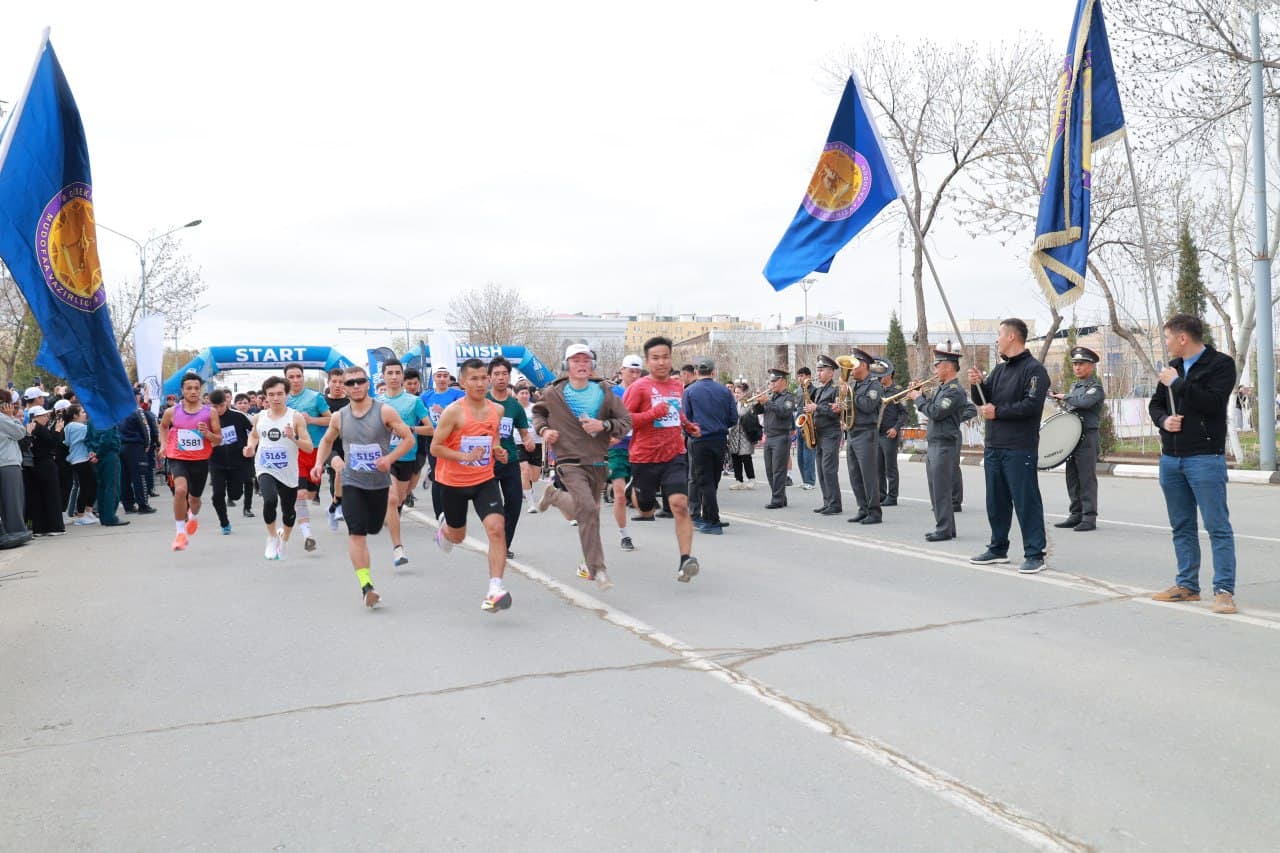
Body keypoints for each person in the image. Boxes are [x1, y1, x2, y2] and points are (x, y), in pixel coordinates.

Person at [1148, 314, 1239, 614]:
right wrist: (1164, 420)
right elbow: (1155, 405)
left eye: (1168, 338)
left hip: (1204, 457)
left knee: (1217, 526)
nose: (1166, 343)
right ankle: (1187, 585)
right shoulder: (1171, 368)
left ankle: (1224, 590)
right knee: (1182, 525)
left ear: (1183, 338)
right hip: (1171, 458)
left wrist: (1179, 384)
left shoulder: (1220, 365)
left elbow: (1212, 403)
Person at [311, 365, 415, 608]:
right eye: (350, 383)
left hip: (378, 483)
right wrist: (318, 463)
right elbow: (327, 441)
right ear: (344, 388)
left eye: (360, 381)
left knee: (374, 527)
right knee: (356, 533)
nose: (356, 386)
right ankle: (366, 586)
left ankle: (370, 575)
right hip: (352, 482)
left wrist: (389, 458)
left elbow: (409, 439)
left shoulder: (384, 412)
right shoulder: (339, 417)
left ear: (368, 384)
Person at [532, 344, 633, 588]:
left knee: (591, 513)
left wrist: (603, 426)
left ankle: (555, 497)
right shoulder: (554, 393)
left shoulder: (604, 391)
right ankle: (598, 569)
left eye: (586, 360)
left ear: (592, 365)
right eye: (575, 360)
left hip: (597, 460)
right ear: (567, 365)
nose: (581, 364)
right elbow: (538, 414)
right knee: (587, 508)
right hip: (569, 460)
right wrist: (544, 430)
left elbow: (625, 421)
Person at [431, 358, 515, 612]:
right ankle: (445, 528)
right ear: (464, 382)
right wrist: (464, 457)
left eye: (483, 378)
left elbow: (495, 439)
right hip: (453, 483)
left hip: (483, 480)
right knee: (457, 537)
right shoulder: (454, 412)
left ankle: (494, 589)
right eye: (474, 379)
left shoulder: (496, 410)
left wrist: (498, 451)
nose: (480, 383)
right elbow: (436, 447)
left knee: (497, 528)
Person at [967, 318, 1050, 574]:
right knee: (996, 500)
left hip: (1019, 447)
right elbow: (984, 399)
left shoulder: (1034, 370)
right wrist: (977, 383)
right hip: (994, 446)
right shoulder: (1000, 370)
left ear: (1012, 337)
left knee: (1026, 501)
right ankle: (998, 548)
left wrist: (998, 412)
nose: (997, 339)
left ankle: (1035, 553)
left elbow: (1031, 406)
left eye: (999, 334)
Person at [622, 336, 703, 583]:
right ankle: (633, 492)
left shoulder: (677, 386)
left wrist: (688, 426)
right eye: (655, 358)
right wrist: (652, 413)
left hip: (674, 454)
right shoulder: (639, 387)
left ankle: (685, 559)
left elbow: (675, 411)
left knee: (679, 503)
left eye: (665, 357)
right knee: (646, 507)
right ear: (648, 361)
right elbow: (625, 420)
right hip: (644, 457)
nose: (661, 362)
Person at [245, 375, 314, 560]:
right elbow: (253, 435)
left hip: (288, 472)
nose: (275, 398)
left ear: (286, 395)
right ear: (266, 396)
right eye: (271, 394)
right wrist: (250, 446)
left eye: (279, 394)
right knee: (269, 500)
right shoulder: (260, 417)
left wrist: (293, 438)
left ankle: (284, 540)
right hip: (265, 467)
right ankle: (272, 537)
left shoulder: (296, 417)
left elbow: (308, 446)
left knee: (289, 512)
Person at [377, 358, 433, 567]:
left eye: (396, 373)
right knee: (392, 499)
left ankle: (390, 516)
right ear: (383, 376)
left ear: (402, 376)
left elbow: (430, 429)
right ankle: (398, 549)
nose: (393, 377)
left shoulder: (413, 401)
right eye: (389, 373)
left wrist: (411, 429)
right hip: (384, 457)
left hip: (407, 457)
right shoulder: (377, 402)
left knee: (399, 499)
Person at [158, 373, 222, 551]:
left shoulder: (210, 412)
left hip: (200, 459)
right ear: (182, 390)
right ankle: (180, 533)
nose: (193, 391)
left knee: (194, 500)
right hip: (177, 457)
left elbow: (218, 440)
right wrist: (163, 444)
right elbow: (163, 426)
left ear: (200, 390)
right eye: (189, 388)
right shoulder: (172, 412)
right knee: (180, 490)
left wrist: (207, 434)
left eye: (196, 388)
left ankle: (192, 517)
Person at [911, 350, 967, 542]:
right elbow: (933, 409)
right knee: (935, 487)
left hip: (944, 444)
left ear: (948, 366)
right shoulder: (942, 388)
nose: (934, 368)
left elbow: (936, 412)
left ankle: (943, 529)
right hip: (935, 443)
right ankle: (947, 527)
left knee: (941, 490)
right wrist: (921, 394)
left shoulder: (954, 390)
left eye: (937, 365)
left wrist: (917, 399)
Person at [1050, 346, 1106, 532]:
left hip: (1087, 438)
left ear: (1091, 366)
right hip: (1072, 438)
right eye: (1075, 364)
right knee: (1072, 477)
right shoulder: (1076, 386)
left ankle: (1089, 517)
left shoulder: (1095, 388)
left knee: (1086, 478)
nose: (1077, 367)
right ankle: (1076, 514)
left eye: (1081, 364)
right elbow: (1072, 404)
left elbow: (1083, 402)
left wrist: (1065, 396)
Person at [682, 355, 737, 533]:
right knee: (713, 480)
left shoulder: (689, 391)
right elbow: (733, 418)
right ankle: (712, 517)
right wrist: (719, 426)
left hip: (699, 440)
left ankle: (711, 521)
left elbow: (686, 418)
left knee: (704, 481)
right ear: (713, 372)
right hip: (719, 440)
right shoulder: (724, 391)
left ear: (697, 372)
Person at [486, 356, 534, 557]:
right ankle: (497, 542)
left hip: (510, 461)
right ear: (489, 377)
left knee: (514, 504)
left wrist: (528, 440)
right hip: (487, 463)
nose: (501, 378)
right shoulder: (483, 401)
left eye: (504, 374)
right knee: (494, 508)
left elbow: (523, 432)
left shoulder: (515, 406)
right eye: (496, 374)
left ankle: (504, 545)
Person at [285, 363, 331, 553]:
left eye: (298, 376)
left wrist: (311, 420)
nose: (295, 380)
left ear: (303, 377)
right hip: (295, 452)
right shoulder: (283, 400)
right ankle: (307, 535)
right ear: (286, 379)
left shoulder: (315, 397)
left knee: (310, 495)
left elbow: (331, 419)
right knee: (301, 495)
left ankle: (303, 517)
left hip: (316, 451)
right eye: (291, 377)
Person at [603, 354, 644, 549]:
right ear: (622, 371)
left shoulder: (646, 393)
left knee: (642, 499)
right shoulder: (613, 394)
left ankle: (634, 489)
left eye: (638, 371)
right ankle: (624, 535)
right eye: (631, 371)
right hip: (618, 448)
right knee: (620, 495)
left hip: (641, 447)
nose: (635, 375)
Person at [841, 348, 882, 524]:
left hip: (866, 433)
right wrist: (840, 407)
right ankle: (862, 508)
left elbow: (868, 406)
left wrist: (850, 394)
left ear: (863, 365)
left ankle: (874, 512)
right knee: (854, 473)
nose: (850, 369)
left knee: (868, 474)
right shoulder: (855, 385)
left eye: (854, 365)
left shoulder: (874, 385)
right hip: (852, 431)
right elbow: (850, 407)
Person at [208, 389, 254, 535]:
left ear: (226, 402)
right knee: (217, 494)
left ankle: (233, 493)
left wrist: (250, 447)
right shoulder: (206, 419)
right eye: (214, 407)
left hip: (237, 463)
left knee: (235, 494)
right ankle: (224, 522)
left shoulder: (238, 417)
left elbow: (254, 432)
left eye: (221, 405)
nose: (218, 410)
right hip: (217, 462)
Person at [421, 364, 465, 516]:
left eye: (445, 376)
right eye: (438, 376)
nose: (441, 379)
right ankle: (439, 514)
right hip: (433, 440)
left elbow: (463, 413)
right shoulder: (426, 396)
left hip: (453, 440)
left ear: (449, 378)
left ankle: (453, 509)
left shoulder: (457, 395)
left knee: (453, 474)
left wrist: (444, 411)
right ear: (434, 378)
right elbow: (420, 416)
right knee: (438, 475)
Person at [804, 356, 842, 514]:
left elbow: (837, 412)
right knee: (820, 469)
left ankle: (835, 504)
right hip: (819, 433)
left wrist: (816, 408)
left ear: (831, 372)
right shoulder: (819, 390)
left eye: (821, 371)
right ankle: (827, 501)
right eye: (817, 370)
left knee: (829, 469)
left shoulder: (836, 390)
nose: (818, 374)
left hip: (831, 434)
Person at [752, 369, 796, 509]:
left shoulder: (789, 397)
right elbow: (758, 412)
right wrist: (759, 402)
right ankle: (780, 496)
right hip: (769, 436)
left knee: (778, 470)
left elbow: (784, 412)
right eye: (771, 381)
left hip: (781, 436)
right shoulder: (771, 397)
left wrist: (768, 402)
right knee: (769, 470)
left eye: (774, 381)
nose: (771, 384)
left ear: (783, 381)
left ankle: (777, 499)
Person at [25, 406, 66, 536]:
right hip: (45, 463)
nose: (47, 418)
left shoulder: (32, 428)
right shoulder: (39, 428)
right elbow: (53, 442)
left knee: (38, 496)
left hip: (36, 465)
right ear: (36, 417)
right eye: (44, 416)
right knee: (52, 494)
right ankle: (55, 527)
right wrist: (58, 430)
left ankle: (40, 527)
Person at [0, 394, 32, 547]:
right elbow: (21, 432)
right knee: (13, 500)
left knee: (7, 500)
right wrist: (11, 416)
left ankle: (10, 531)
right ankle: (16, 531)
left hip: (5, 462)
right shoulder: (2, 418)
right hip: (8, 463)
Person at [873, 359, 906, 507]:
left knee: (890, 467)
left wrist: (896, 428)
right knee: (878, 465)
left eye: (883, 374)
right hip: (877, 432)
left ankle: (892, 496)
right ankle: (881, 494)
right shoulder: (878, 389)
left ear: (890, 375)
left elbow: (904, 414)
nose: (880, 377)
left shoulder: (898, 390)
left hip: (889, 433)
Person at [119, 393, 157, 515]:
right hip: (135, 446)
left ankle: (128, 505)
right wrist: (147, 444)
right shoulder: (137, 411)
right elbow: (146, 428)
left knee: (124, 478)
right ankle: (143, 505)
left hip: (121, 446)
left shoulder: (117, 410)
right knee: (140, 476)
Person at [323, 367, 350, 529]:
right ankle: (339, 507)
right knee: (338, 471)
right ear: (329, 382)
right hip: (328, 445)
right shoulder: (322, 402)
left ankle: (333, 507)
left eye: (342, 382)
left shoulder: (351, 401)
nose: (338, 385)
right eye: (335, 381)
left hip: (349, 445)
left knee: (346, 478)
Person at [62, 404, 97, 526]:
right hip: (80, 459)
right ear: (75, 416)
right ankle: (81, 514)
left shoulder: (69, 426)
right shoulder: (76, 426)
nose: (85, 414)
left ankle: (88, 512)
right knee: (86, 487)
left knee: (90, 485)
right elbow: (92, 432)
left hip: (80, 459)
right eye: (82, 412)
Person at [727, 382, 762, 492]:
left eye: (739, 392)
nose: (736, 394)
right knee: (735, 457)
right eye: (735, 392)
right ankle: (739, 480)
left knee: (746, 457)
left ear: (745, 393)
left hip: (745, 434)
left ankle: (751, 479)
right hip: (734, 434)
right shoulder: (732, 403)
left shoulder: (749, 403)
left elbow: (743, 413)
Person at [793, 366, 817, 490]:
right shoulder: (798, 390)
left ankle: (810, 481)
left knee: (809, 456)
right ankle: (804, 480)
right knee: (800, 456)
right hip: (800, 424)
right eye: (799, 376)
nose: (799, 378)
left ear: (808, 377)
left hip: (810, 425)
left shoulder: (815, 390)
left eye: (802, 376)